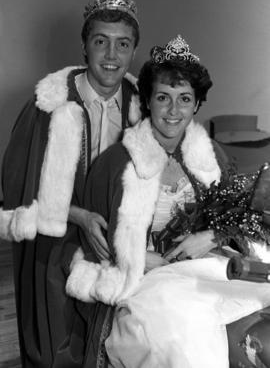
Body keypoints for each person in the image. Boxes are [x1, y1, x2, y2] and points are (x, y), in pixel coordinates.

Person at [66, 35, 270, 368]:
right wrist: (139, 258)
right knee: (184, 338)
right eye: (163, 98)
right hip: (149, 280)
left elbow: (239, 219)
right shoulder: (116, 164)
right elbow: (96, 242)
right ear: (147, 101)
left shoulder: (212, 155)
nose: (174, 111)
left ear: (197, 104)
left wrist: (211, 236)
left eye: (185, 99)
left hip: (208, 267)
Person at [0, 0, 141, 368]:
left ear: (132, 52)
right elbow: (18, 181)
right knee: (54, 339)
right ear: (85, 47)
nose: (112, 56)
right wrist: (77, 216)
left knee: (110, 338)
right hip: (56, 237)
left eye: (122, 45)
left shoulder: (138, 106)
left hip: (112, 237)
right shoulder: (48, 105)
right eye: (101, 42)